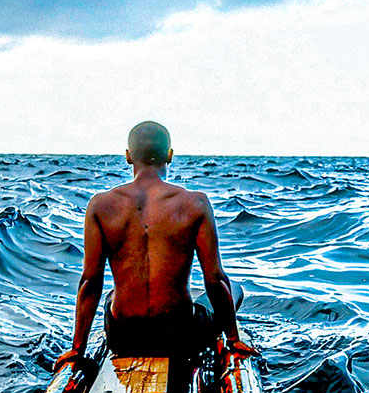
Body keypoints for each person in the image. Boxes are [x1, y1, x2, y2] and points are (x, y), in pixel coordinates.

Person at [57, 120, 252, 367]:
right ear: (169, 155)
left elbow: (90, 281)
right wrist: (233, 340)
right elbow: (214, 279)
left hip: (123, 337)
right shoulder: (195, 203)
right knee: (233, 288)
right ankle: (228, 340)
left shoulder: (100, 205)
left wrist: (77, 348)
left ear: (128, 157)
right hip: (179, 335)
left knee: (111, 295)